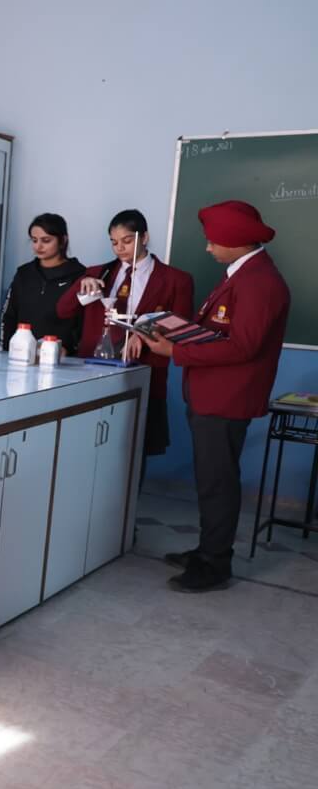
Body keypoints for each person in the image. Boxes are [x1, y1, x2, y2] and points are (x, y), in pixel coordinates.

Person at [138, 200, 289, 592]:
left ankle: (215, 564)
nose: (207, 248)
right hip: (211, 393)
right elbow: (217, 330)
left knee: (217, 481)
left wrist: (176, 351)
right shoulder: (240, 274)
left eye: (213, 241)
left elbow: (243, 347)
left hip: (227, 397)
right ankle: (208, 549)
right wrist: (175, 329)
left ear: (236, 240)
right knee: (211, 478)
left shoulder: (259, 282)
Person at [56, 209, 193, 462]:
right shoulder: (98, 273)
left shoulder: (176, 280)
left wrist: (144, 333)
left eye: (127, 241)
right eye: (114, 242)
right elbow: (63, 311)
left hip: (144, 370)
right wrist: (81, 288)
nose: (119, 248)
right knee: (88, 445)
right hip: (95, 370)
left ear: (145, 237)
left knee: (134, 449)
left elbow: (179, 324)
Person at [0, 213, 86, 350]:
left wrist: (70, 349)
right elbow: (9, 316)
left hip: (61, 356)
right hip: (22, 353)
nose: (38, 246)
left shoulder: (79, 275)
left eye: (46, 240)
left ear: (63, 240)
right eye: (34, 240)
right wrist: (6, 349)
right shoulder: (24, 273)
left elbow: (85, 322)